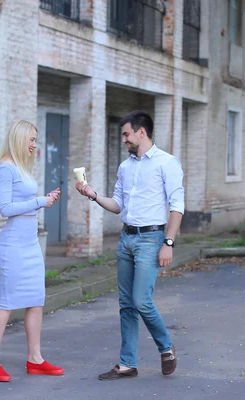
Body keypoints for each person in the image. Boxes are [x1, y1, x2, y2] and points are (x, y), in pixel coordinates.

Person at [75, 110, 184, 380]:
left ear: (141, 132)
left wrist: (168, 242)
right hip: (127, 238)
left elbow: (177, 207)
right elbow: (117, 205)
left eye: (126, 134)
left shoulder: (166, 163)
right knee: (126, 304)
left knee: (141, 300)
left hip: (151, 238)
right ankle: (127, 363)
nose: (123, 139)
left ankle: (166, 347)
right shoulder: (126, 167)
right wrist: (93, 195)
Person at [0, 120, 64, 382]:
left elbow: (25, 203)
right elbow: (5, 208)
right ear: (19, 139)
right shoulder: (6, 168)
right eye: (31, 139)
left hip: (30, 244)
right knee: (7, 303)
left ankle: (35, 359)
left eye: (35, 140)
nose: (34, 145)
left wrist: (44, 200)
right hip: (13, 245)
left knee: (36, 301)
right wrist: (41, 201)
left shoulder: (21, 168)